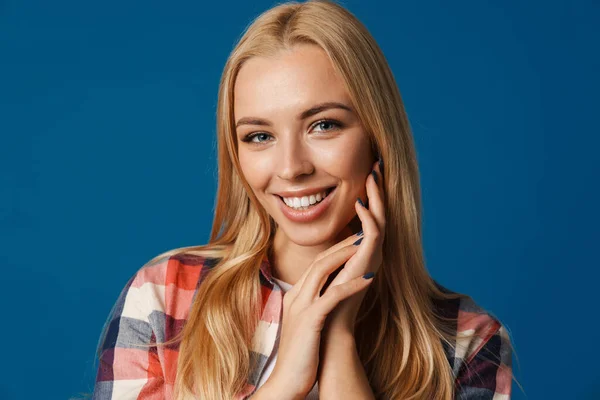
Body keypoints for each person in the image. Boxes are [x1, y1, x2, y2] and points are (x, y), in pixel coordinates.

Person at [91, 1, 518, 399]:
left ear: (378, 139)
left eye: (323, 125)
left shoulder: (468, 343)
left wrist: (338, 337)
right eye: (259, 136)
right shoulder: (164, 297)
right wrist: (283, 384)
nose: (292, 167)